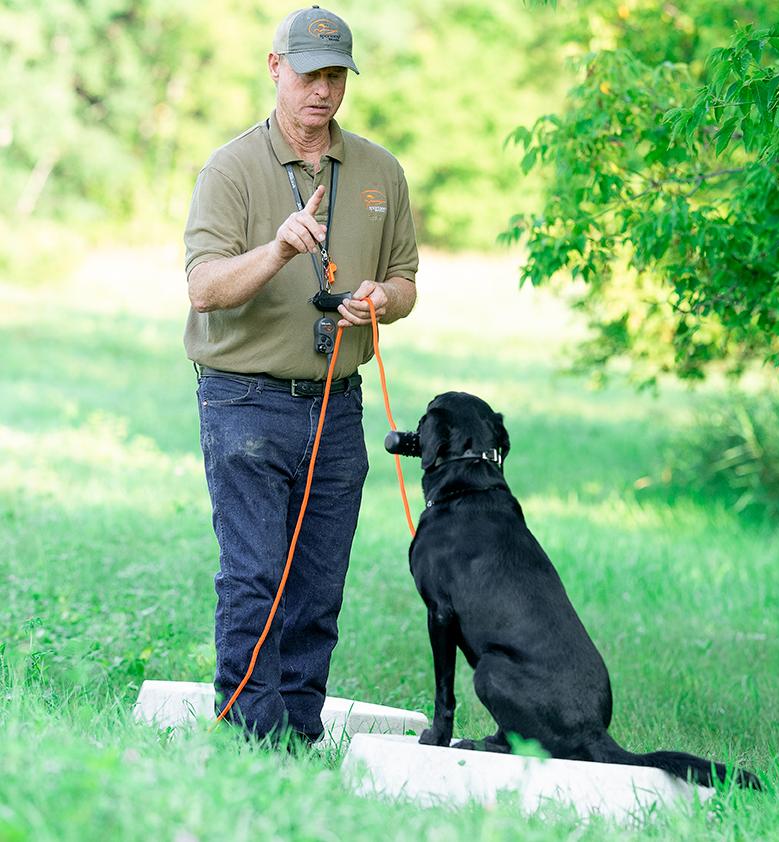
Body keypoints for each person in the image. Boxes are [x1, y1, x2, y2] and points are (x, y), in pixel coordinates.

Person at [182, 5, 418, 743]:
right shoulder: (232, 168)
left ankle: (297, 736)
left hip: (337, 406)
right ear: (275, 68)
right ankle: (249, 738)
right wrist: (280, 250)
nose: (322, 89)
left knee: (317, 590)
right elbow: (204, 288)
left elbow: (406, 280)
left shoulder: (380, 171)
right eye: (310, 72)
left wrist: (381, 299)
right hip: (245, 401)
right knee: (257, 579)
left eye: (336, 75)